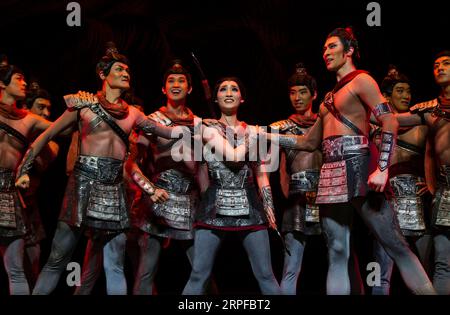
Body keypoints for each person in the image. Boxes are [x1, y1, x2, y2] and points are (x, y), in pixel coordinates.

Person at [261, 28, 435, 294]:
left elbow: (388, 121)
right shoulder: (327, 100)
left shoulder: (362, 80)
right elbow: (307, 142)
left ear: (349, 50)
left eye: (332, 47)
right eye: (324, 49)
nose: (326, 53)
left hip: (359, 166)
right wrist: (266, 135)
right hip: (331, 172)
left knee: (395, 244)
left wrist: (382, 168)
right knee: (337, 251)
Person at [15, 42, 187, 295]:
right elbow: (45, 136)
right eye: (119, 69)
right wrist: (23, 170)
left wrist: (202, 125)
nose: (126, 73)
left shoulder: (133, 115)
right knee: (57, 260)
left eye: (128, 70)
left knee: (114, 265)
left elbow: (169, 132)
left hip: (114, 189)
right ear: (103, 74)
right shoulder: (83, 106)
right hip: (82, 185)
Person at [183, 77, 281, 295]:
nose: (228, 92)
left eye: (234, 89)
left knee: (266, 274)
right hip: (213, 206)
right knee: (199, 274)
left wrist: (270, 208)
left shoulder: (254, 130)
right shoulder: (206, 127)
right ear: (215, 98)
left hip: (251, 207)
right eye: (222, 89)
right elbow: (201, 168)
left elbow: (261, 173)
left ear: (242, 98)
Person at [371, 67, 432, 295]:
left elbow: (437, 154)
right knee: (381, 271)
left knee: (424, 268)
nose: (406, 96)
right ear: (387, 96)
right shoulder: (375, 127)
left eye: (408, 91)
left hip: (419, 205)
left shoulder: (422, 123)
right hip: (386, 203)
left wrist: (432, 183)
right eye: (400, 91)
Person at [395, 51, 450, 294]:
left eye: (447, 64)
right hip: (445, 189)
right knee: (443, 263)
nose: (440, 68)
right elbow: (393, 121)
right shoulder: (429, 110)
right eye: (436, 65)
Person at [0, 55, 51, 294]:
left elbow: (61, 126)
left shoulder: (28, 119)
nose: (23, 84)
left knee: (18, 269)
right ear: (2, 83)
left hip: (10, 194)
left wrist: (80, 106)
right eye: (18, 79)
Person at [270, 64, 322, 294]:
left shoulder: (325, 124)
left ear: (314, 94)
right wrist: (289, 198)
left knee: (342, 256)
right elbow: (281, 170)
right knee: (291, 267)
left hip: (327, 197)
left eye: (302, 92)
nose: (297, 97)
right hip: (296, 200)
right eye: (292, 92)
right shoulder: (280, 128)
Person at [22, 81, 60, 288]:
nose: (46, 113)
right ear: (27, 108)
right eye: (41, 107)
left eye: (48, 108)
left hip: (28, 207)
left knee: (33, 256)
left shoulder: (50, 142)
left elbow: (43, 161)